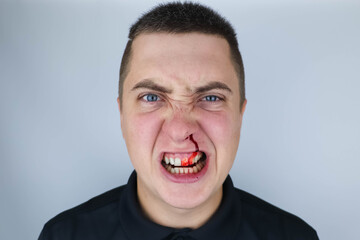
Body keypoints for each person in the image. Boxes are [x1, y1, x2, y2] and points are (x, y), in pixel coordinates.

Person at [38, 2, 319, 239]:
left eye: (210, 98)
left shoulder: (295, 236)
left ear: (239, 116)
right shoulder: (63, 236)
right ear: (122, 116)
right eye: (152, 98)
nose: (181, 130)